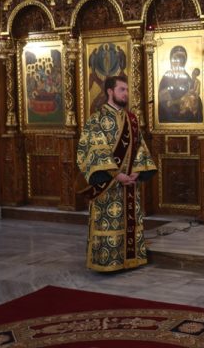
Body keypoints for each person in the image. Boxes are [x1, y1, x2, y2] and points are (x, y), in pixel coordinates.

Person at [77, 75, 157, 272]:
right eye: (122, 90)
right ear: (110, 91)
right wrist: (116, 174)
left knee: (129, 222)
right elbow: (95, 150)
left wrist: (137, 171)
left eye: (127, 90)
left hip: (130, 184)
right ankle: (108, 262)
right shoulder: (96, 119)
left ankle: (131, 259)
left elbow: (140, 147)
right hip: (108, 186)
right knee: (109, 224)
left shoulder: (132, 120)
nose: (126, 94)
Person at [158, 45, 203, 123]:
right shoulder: (166, 77)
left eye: (181, 59)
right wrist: (176, 100)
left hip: (186, 110)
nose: (178, 62)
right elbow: (162, 98)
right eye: (175, 59)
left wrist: (192, 97)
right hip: (169, 111)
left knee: (198, 101)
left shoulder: (187, 77)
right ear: (171, 60)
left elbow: (192, 91)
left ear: (184, 61)